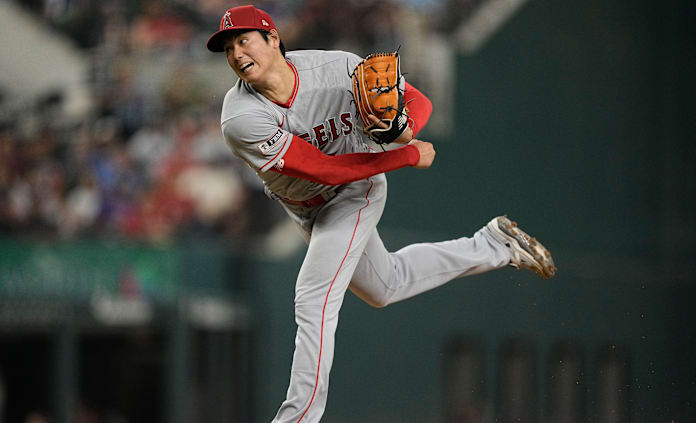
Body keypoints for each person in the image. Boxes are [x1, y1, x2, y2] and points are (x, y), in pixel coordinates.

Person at [206, 5, 556, 422]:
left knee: (313, 296)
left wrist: (406, 129)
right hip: (308, 205)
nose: (236, 53)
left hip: (355, 193)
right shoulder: (241, 117)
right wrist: (405, 155)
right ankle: (493, 245)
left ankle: (298, 418)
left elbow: (416, 100)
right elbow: (323, 167)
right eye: (228, 48)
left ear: (273, 38)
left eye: (243, 40)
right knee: (385, 286)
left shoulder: (335, 68)